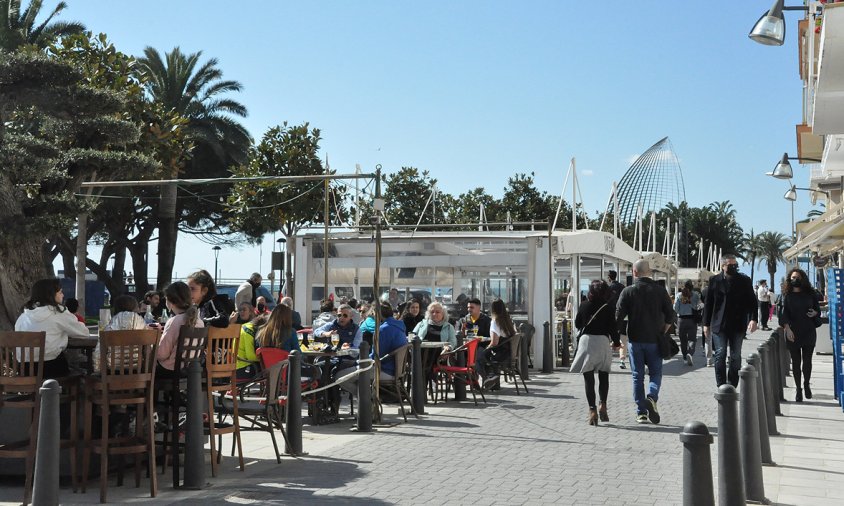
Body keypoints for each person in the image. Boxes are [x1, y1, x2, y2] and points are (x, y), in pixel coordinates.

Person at [615, 260, 676, 424]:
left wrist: (615, 338)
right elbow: (670, 314)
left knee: (637, 376)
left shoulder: (627, 292)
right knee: (655, 373)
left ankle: (641, 412)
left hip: (635, 339)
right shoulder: (660, 291)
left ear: (634, 272)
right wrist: (664, 329)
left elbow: (618, 316)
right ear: (649, 272)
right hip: (655, 339)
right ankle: (652, 396)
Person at [14, 278, 90, 379]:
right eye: (60, 292)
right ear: (51, 294)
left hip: (25, 370)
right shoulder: (58, 312)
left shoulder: (23, 316)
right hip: (50, 369)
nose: (63, 295)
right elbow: (84, 333)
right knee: (78, 370)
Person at [703, 254, 759, 388]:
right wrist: (705, 324)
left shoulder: (744, 280)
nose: (733, 267)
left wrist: (753, 319)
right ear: (723, 266)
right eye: (730, 265)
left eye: (735, 265)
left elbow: (752, 302)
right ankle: (721, 385)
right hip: (718, 324)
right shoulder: (714, 280)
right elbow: (708, 303)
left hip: (738, 323)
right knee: (720, 353)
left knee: (735, 356)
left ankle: (732, 384)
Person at [571, 280, 620, 425]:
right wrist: (616, 342)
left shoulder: (584, 305)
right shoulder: (608, 307)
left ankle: (592, 410)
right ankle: (603, 404)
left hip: (587, 342)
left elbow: (578, 324)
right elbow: (613, 328)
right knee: (604, 375)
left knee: (588, 378)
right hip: (603, 343)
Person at [779, 268, 821, 402]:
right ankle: (798, 389)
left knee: (807, 361)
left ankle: (806, 384)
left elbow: (818, 311)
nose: (794, 280)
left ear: (802, 278)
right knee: (796, 363)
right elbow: (783, 314)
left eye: (797, 277)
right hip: (793, 332)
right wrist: (787, 329)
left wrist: (814, 313)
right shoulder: (786, 295)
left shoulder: (811, 294)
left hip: (808, 331)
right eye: (792, 278)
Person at [156, 281, 205, 377]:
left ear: (170, 301)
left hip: (171, 369)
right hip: (191, 369)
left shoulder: (174, 321)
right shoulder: (199, 321)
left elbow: (161, 355)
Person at [474, 299, 516, 389]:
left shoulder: (495, 321)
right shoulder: (508, 320)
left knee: (477, 358)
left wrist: (487, 348)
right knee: (484, 354)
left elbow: (494, 342)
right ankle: (492, 379)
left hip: (499, 355)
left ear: (492, 309)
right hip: (508, 353)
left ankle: (487, 379)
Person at [674, 280, 701, 366]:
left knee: (683, 340)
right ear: (692, 287)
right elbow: (699, 306)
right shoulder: (695, 295)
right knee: (692, 339)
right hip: (692, 320)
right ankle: (690, 353)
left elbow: (675, 308)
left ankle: (685, 357)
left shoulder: (679, 295)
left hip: (681, 320)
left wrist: (681, 311)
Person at [237, 314, 268, 380]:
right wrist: (264, 360)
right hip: (243, 369)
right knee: (269, 368)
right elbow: (250, 356)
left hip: (237, 366)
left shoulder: (245, 326)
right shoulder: (249, 332)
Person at [607, 270, 627, 368]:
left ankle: (609, 354)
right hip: (622, 316)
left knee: (610, 335)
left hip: (611, 315)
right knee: (623, 338)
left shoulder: (609, 288)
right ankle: (622, 359)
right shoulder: (622, 287)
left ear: (609, 277)